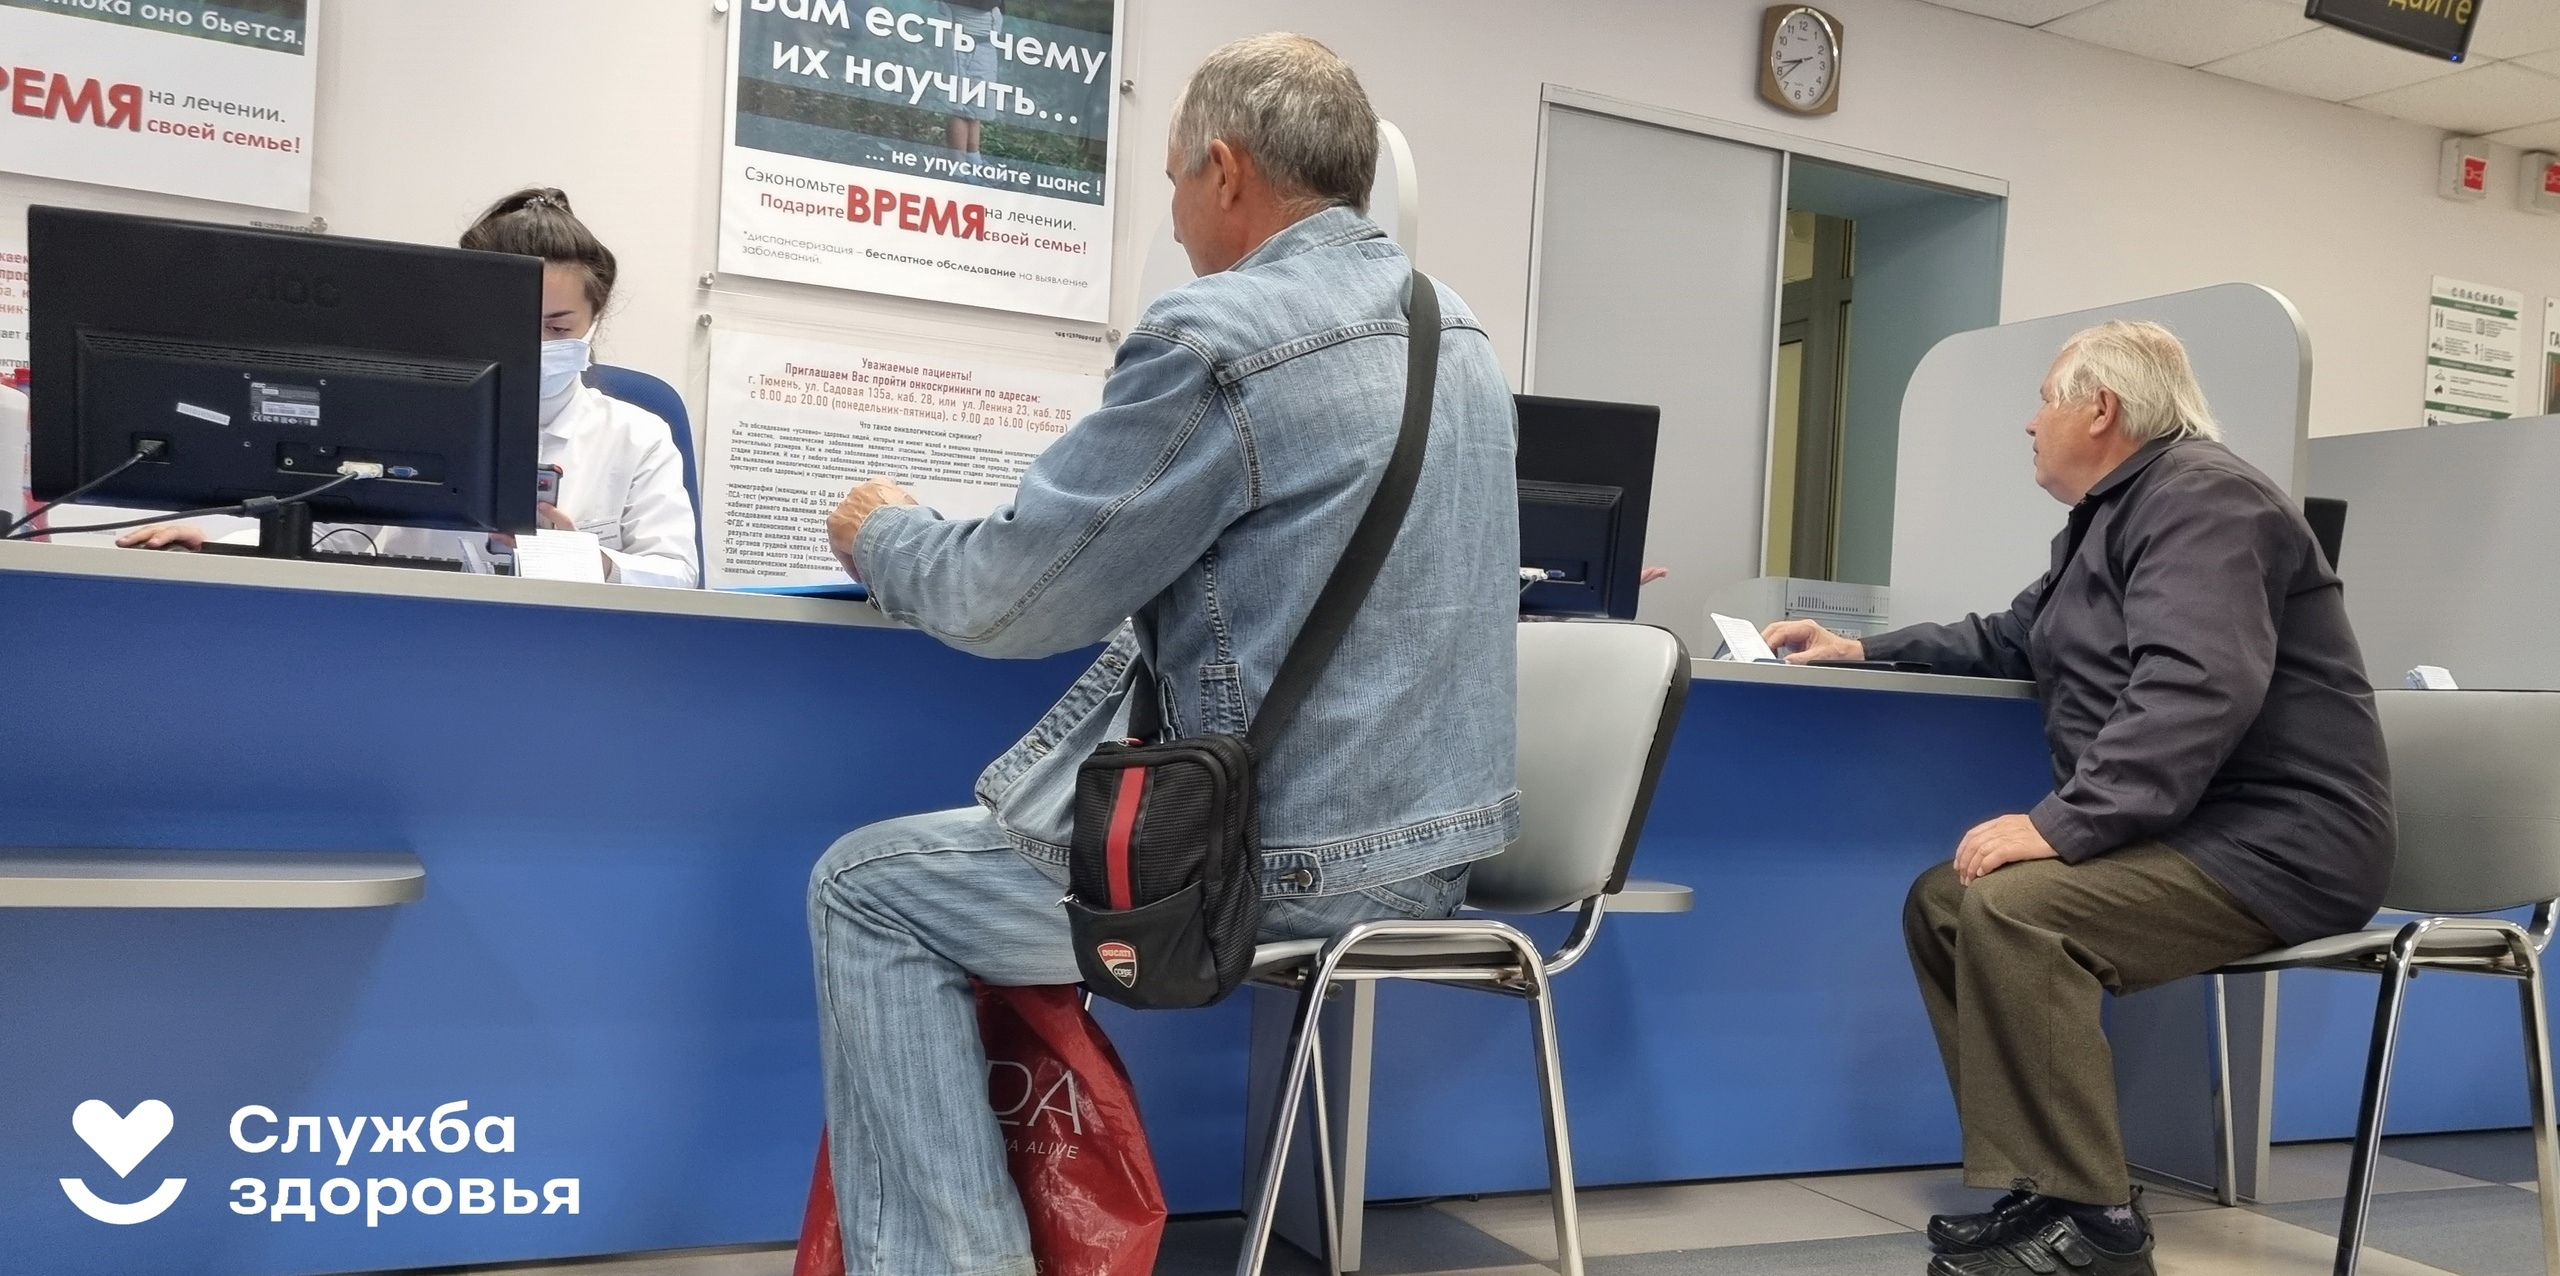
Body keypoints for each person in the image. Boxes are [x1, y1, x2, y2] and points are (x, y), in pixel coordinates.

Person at [806, 33, 1518, 1275]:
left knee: (865, 887)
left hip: (1275, 870)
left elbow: (1007, 600)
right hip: (1436, 861)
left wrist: (883, 533)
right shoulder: (1453, 330)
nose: (1176, 215)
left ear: (1224, 170)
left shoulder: (1218, 333)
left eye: (1176, 180)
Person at [1765, 321, 2392, 1276]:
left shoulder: (2205, 502)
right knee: (1947, 902)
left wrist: (2061, 824)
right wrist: (1861, 647)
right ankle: (2052, 1187)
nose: (2030, 422)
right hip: (2201, 831)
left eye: (2045, 400)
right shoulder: (2119, 512)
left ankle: (2100, 1229)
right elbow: (2016, 635)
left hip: (2281, 846)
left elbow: (2197, 686)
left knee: (2018, 908)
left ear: (2100, 409)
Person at [118, 189, 699, 587]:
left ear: (594, 320)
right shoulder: (398, 422)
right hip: (413, 642)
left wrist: (590, 561)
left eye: (558, 328)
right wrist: (219, 543)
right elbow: (334, 535)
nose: (532, 345)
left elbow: (678, 576)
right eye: (508, 323)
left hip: (568, 659)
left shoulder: (637, 436)